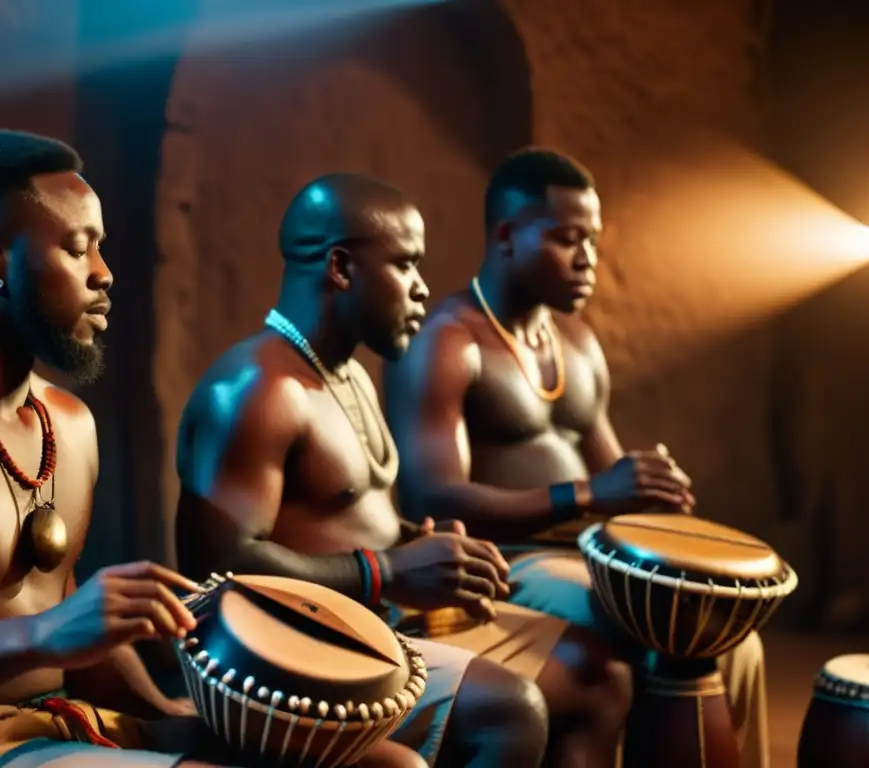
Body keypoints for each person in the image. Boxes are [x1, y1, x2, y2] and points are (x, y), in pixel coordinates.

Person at [0, 129, 423, 768]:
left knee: (391, 765)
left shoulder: (68, 423)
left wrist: (167, 711)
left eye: (101, 246)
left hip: (59, 722)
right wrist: (39, 637)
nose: (105, 274)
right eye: (77, 249)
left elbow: (63, 618)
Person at [175, 172, 633, 768]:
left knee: (601, 676)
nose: (422, 290)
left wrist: (432, 551)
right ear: (341, 268)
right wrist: (385, 569)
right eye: (405, 266)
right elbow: (216, 566)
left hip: (382, 621)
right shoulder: (259, 389)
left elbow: (348, 521)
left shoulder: (349, 374)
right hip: (288, 649)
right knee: (511, 710)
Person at [381, 147, 770, 767]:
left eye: (591, 239)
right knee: (664, 632)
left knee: (728, 639)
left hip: (585, 556)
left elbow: (609, 471)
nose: (588, 258)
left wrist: (650, 491)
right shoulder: (449, 341)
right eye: (567, 239)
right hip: (508, 563)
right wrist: (589, 496)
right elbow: (433, 495)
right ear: (507, 235)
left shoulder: (579, 343)